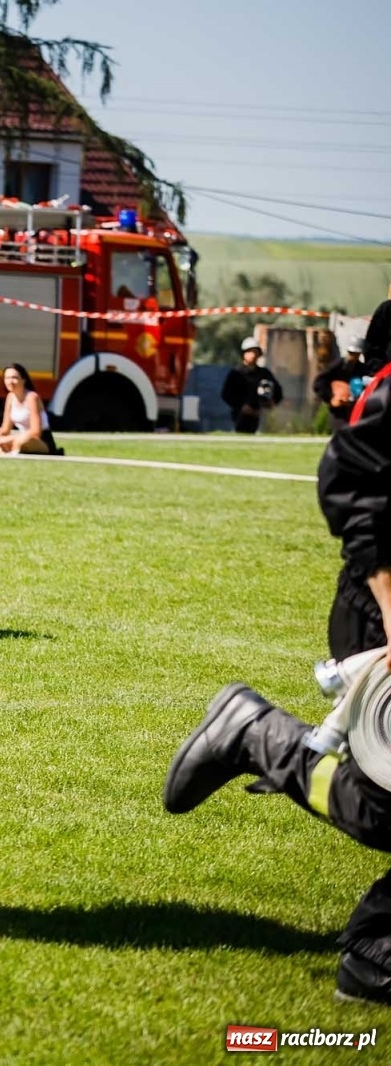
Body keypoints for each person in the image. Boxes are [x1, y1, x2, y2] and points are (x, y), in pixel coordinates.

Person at [163, 354, 391, 1007]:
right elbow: (351, 472)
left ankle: (378, 955)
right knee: (383, 809)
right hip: (380, 614)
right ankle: (261, 737)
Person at [0, 363, 57, 455]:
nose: (10, 381)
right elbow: (5, 428)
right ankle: (2, 452)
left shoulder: (32, 397)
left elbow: (35, 432)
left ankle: (0, 449)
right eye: (7, 378)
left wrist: (8, 439)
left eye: (14, 378)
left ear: (23, 380)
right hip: (19, 438)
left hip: (38, 441)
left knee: (23, 441)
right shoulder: (10, 397)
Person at [315, 339, 378, 433]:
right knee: (340, 431)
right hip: (339, 408)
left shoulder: (362, 369)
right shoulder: (337, 366)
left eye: (356, 353)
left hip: (355, 406)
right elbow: (319, 382)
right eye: (351, 353)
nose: (353, 356)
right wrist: (330, 397)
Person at [222, 336, 282, 434]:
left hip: (260, 414)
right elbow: (226, 394)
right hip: (239, 415)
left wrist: (271, 402)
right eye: (250, 351)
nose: (253, 354)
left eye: (255, 352)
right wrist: (241, 406)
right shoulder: (236, 373)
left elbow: (277, 390)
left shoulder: (264, 373)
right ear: (244, 354)